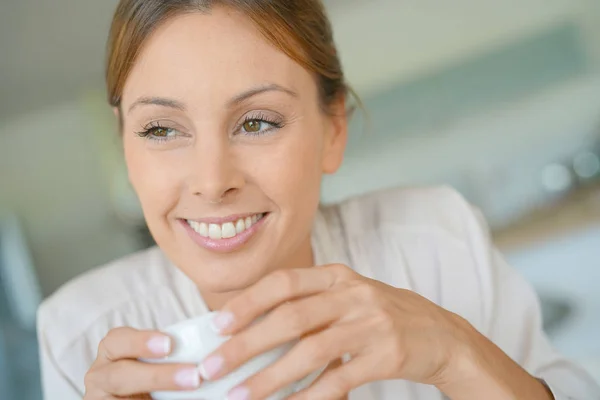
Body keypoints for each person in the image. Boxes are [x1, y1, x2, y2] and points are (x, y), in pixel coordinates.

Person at [37, 1, 600, 399]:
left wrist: (456, 357)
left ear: (333, 130)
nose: (211, 181)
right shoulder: (77, 336)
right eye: (161, 130)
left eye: (257, 122)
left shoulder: (436, 237)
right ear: (124, 145)